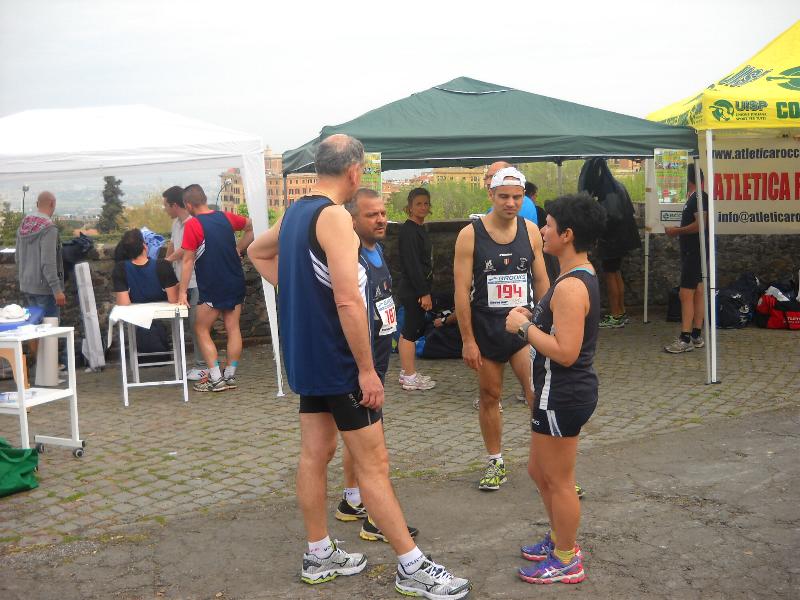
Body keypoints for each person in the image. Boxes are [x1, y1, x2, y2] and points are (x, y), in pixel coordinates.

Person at [247, 134, 470, 599]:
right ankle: (411, 566)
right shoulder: (333, 217)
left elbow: (255, 251)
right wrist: (367, 370)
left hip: (310, 358)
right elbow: (348, 299)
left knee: (315, 454)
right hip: (341, 360)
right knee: (373, 464)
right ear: (354, 171)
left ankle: (318, 553)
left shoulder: (295, 213)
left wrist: (301, 294)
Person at [505, 192, 605, 585]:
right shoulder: (571, 275)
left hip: (563, 393)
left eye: (548, 225)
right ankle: (559, 537)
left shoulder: (571, 286)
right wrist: (533, 319)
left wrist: (524, 329)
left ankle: (566, 557)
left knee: (560, 480)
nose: (542, 230)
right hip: (554, 391)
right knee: (538, 470)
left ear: (567, 234)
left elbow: (566, 352)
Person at [454, 167, 549, 491]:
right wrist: (468, 340)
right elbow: (460, 291)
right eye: (504, 196)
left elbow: (542, 281)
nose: (511, 203)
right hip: (487, 328)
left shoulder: (531, 231)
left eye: (517, 197)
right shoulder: (470, 234)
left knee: (537, 393)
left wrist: (546, 323)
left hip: (523, 328)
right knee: (489, 395)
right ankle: (495, 462)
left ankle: (550, 465)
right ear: (491, 195)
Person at [336, 187, 419, 543]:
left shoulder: (377, 250)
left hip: (379, 358)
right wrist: (364, 368)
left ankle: (352, 499)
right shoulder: (349, 257)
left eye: (383, 213)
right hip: (363, 364)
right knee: (372, 444)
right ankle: (377, 518)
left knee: (358, 436)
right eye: (372, 215)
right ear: (352, 219)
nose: (381, 219)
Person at [177, 184, 253, 392]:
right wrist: (239, 248)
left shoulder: (193, 225)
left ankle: (216, 378)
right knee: (233, 327)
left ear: (188, 205)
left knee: (201, 328)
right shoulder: (226, 217)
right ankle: (230, 375)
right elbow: (251, 227)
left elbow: (187, 261)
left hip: (213, 284)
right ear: (204, 198)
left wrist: (182, 292)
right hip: (235, 280)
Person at [578, 158, 640, 329]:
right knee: (616, 273)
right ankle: (621, 312)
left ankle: (616, 315)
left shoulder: (606, 190)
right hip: (623, 239)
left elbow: (611, 216)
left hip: (612, 241)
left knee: (610, 275)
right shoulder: (617, 185)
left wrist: (599, 235)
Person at [15, 191, 66, 364]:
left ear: (38, 204)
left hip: (27, 285)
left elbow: (17, 257)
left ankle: (39, 366)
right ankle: (50, 368)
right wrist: (57, 290)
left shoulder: (24, 224)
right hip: (45, 288)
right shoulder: (49, 228)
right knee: (49, 330)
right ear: (52, 204)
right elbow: (48, 263)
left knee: (32, 328)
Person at [162, 186, 206, 380]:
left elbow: (185, 250)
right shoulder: (177, 224)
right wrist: (164, 266)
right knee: (191, 325)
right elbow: (172, 246)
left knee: (198, 325)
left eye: (166, 205)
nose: (165, 209)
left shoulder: (192, 223)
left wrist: (167, 261)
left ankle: (203, 366)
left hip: (196, 281)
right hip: (182, 281)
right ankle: (200, 364)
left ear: (174, 205)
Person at [663, 164, 708, 353]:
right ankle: (696, 334)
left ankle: (685, 338)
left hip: (694, 252)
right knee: (698, 291)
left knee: (686, 294)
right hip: (695, 252)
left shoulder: (698, 197)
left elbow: (700, 224)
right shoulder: (694, 198)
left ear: (688, 180)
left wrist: (677, 231)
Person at [396, 188, 436, 391]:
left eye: (426, 203)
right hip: (413, 289)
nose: (423, 207)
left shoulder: (419, 229)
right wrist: (423, 292)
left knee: (409, 330)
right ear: (410, 206)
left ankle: (407, 372)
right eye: (418, 204)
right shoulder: (409, 231)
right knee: (410, 332)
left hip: (417, 288)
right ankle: (409, 376)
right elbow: (412, 265)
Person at [112, 229, 178, 305]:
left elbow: (123, 303)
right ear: (144, 246)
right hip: (161, 311)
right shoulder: (163, 265)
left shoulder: (120, 268)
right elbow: (174, 299)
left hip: (135, 312)